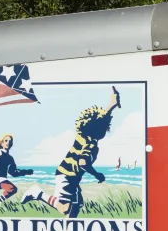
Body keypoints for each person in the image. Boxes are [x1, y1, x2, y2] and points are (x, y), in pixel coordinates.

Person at [23, 86, 121, 218]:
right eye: (104, 127)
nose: (106, 130)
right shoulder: (89, 144)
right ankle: (37, 193)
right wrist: (97, 175)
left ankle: (68, 230)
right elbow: (83, 163)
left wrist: (112, 104)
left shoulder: (82, 135)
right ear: (98, 129)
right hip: (67, 176)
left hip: (71, 177)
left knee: (75, 208)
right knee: (64, 208)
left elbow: (100, 118)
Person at [0, 134, 34, 203]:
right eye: (6, 141)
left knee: (11, 189)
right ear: (1, 143)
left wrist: (26, 172)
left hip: (1, 179)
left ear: (11, 144)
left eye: (10, 141)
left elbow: (13, 172)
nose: (8, 142)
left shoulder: (10, 158)